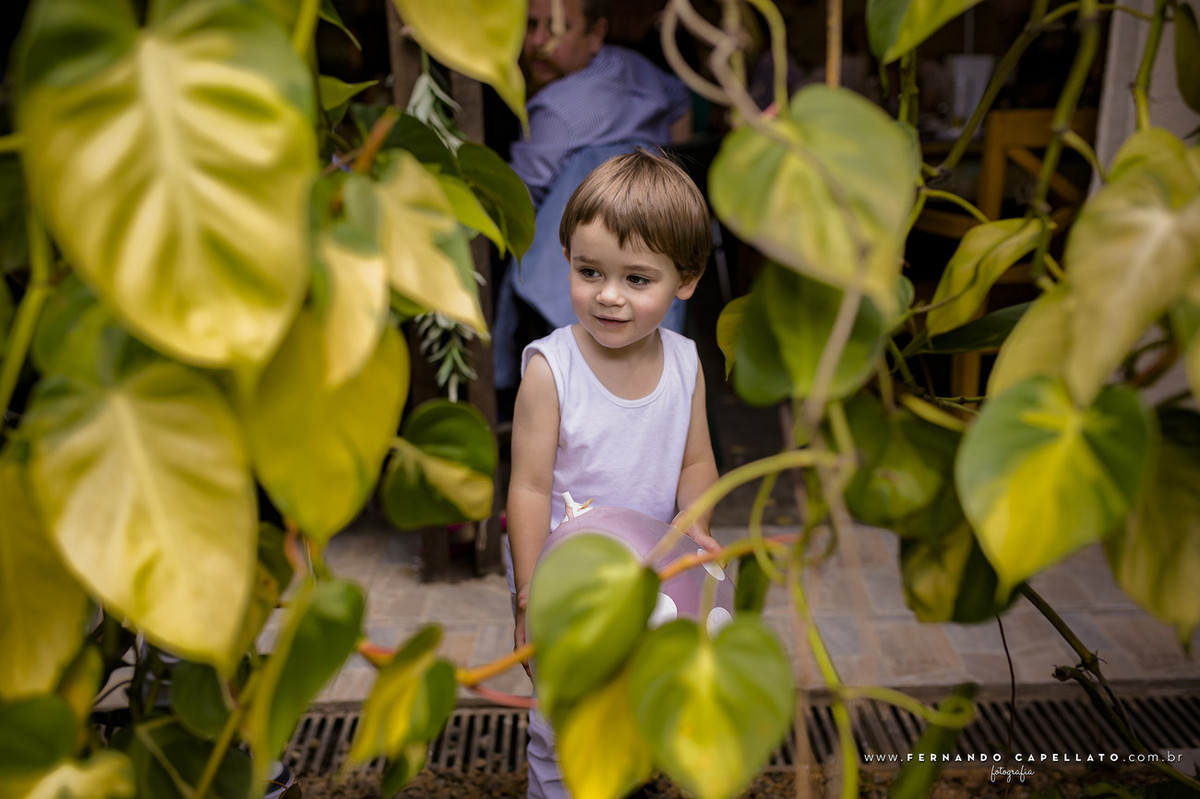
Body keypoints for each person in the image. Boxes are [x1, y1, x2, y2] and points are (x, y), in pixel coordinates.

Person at [505, 149, 721, 799]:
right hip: (564, 583)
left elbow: (696, 461)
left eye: (637, 278)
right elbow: (528, 487)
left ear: (685, 280)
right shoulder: (551, 370)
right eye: (589, 270)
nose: (608, 295)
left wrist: (694, 524)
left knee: (635, 702)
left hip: (649, 581)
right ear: (566, 258)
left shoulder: (685, 363)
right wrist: (529, 589)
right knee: (564, 718)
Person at [494, 0, 695, 414]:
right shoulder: (636, 69)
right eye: (530, 26)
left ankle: (506, 388)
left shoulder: (556, 111)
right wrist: (674, 173)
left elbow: (514, 205)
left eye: (557, 29)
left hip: (585, 266)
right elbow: (679, 100)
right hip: (660, 241)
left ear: (596, 34)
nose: (538, 42)